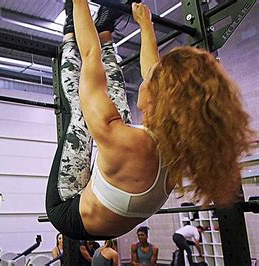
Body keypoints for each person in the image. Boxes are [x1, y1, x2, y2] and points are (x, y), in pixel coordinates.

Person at [45, 0, 253, 241]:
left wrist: (79, 3)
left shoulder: (125, 141)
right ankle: (105, 33)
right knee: (117, 114)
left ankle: (68, 32)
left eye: (150, 80)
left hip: (68, 211)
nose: (145, 80)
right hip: (112, 204)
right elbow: (151, 68)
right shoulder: (182, 143)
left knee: (80, 114)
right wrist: (146, 25)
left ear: (156, 97)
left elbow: (90, 55)